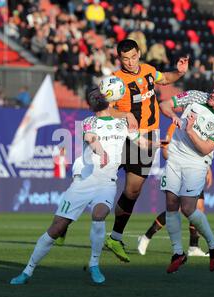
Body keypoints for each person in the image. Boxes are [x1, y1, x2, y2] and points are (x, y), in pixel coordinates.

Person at [9, 88, 149, 285]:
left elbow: (141, 142)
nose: (97, 100)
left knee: (99, 215)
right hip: (83, 182)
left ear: (108, 100)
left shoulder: (122, 124)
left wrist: (157, 145)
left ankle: (94, 264)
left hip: (106, 183)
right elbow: (92, 139)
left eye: (99, 96)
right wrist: (101, 152)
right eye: (94, 99)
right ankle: (27, 271)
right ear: (91, 106)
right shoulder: (88, 122)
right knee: (57, 228)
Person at [104, 39, 189, 263]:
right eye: (125, 58)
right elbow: (105, 110)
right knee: (96, 182)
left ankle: (115, 237)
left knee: (132, 191)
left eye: (133, 57)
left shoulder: (150, 71)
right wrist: (126, 115)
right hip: (122, 136)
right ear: (119, 58)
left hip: (148, 137)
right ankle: (64, 222)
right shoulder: (115, 80)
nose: (130, 62)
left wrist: (178, 73)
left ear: (139, 53)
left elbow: (166, 78)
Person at [159, 78, 214, 273]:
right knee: (170, 203)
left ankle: (213, 246)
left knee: (187, 207)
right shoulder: (195, 96)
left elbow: (205, 149)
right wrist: (172, 115)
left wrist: (190, 131)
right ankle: (177, 253)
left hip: (196, 162)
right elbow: (165, 104)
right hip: (175, 155)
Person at [137, 123, 212, 257]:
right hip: (177, 170)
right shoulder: (175, 126)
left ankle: (193, 247)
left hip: (194, 171)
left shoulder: (201, 125)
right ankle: (146, 237)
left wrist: (207, 169)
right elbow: (165, 151)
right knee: (175, 209)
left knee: (199, 208)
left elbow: (202, 151)